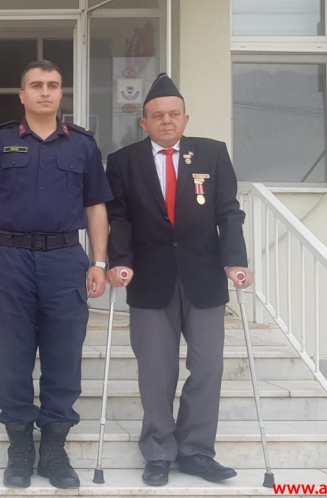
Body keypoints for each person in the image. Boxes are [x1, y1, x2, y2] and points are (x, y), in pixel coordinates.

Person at [0, 59, 112, 490]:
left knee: (64, 356)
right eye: (36, 85)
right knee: (14, 357)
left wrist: (99, 261)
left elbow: (96, 207)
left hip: (65, 260)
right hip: (10, 260)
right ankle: (19, 448)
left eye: (52, 85)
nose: (45, 91)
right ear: (22, 95)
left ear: (61, 93)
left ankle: (53, 449)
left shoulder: (82, 145)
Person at [104, 72, 254, 486]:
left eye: (173, 114)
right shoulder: (124, 161)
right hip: (149, 279)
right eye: (157, 115)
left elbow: (228, 212)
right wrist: (120, 261)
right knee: (156, 370)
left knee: (208, 367)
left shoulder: (212, 153)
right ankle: (158, 450)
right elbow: (118, 218)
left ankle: (196, 451)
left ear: (186, 119)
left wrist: (235, 261)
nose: (166, 121)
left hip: (203, 277)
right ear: (144, 123)